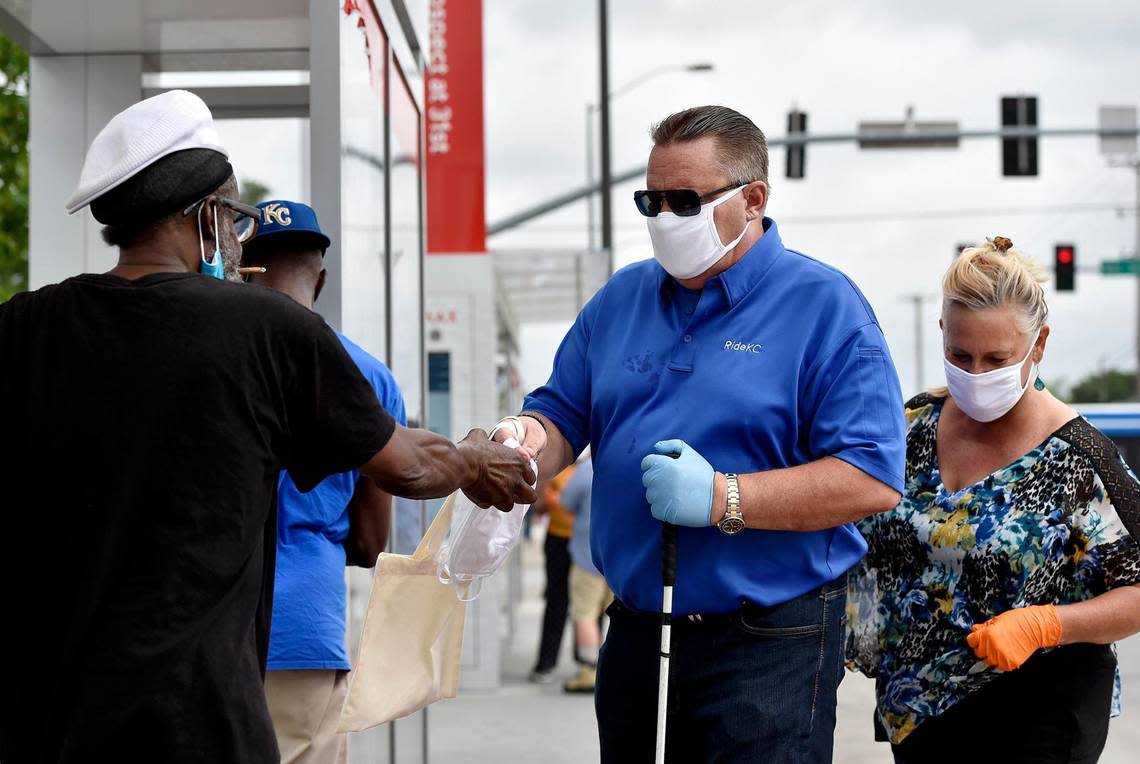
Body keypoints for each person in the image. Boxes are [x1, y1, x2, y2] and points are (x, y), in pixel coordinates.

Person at [0, 90, 534, 764]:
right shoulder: (267, 332)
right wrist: (475, 458)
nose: (237, 241)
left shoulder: (25, 327)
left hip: (46, 715)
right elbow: (409, 467)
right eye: (234, 220)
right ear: (204, 217)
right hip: (198, 718)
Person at [495, 105, 906, 762]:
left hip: (770, 641)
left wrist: (725, 497)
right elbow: (561, 416)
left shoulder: (825, 308)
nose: (663, 218)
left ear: (753, 199)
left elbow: (872, 477)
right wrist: (520, 442)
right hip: (635, 632)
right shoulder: (621, 300)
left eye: (684, 200)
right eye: (649, 200)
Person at [847, 237, 1140, 764]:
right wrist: (859, 624)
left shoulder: (1077, 459)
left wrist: (1049, 623)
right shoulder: (913, 427)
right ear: (942, 334)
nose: (976, 375)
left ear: (1039, 345)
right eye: (960, 355)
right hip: (917, 711)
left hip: (1037, 714)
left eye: (997, 359)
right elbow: (867, 534)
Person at [240, 199, 406, 764]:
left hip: (219, 616)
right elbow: (370, 541)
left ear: (245, 271)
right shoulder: (369, 376)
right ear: (322, 277)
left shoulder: (223, 360)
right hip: (308, 622)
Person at [559, 454, 611, 694]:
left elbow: (566, 502)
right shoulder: (630, 461)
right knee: (622, 616)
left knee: (585, 614)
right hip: (619, 559)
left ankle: (590, 672)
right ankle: (616, 668)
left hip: (587, 556)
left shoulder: (587, 470)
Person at [529, 463, 577, 683]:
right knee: (557, 601)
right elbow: (539, 506)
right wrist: (548, 498)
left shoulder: (596, 466)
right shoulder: (559, 465)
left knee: (589, 605)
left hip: (586, 543)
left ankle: (588, 663)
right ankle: (546, 664)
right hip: (558, 540)